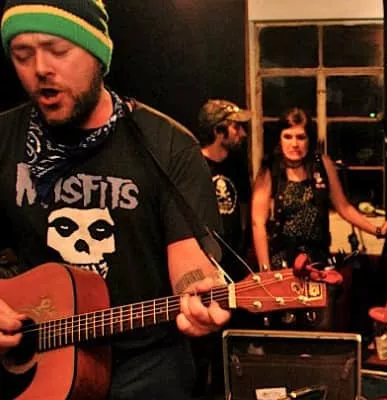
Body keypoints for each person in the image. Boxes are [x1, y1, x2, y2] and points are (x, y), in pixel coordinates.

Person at [0, 1, 230, 399]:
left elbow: (190, 261)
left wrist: (201, 293)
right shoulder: (4, 138)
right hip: (34, 372)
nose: (40, 68)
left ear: (98, 55)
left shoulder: (167, 145)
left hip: (147, 367)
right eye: (22, 54)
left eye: (58, 50)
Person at [251, 107, 387, 329]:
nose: (294, 144)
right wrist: (265, 273)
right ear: (279, 139)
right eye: (288, 136)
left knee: (321, 329)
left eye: (300, 137)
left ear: (309, 139)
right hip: (282, 265)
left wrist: (377, 230)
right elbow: (258, 223)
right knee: (286, 332)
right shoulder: (271, 168)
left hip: (318, 263)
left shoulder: (322, 164)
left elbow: (343, 207)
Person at [197, 99, 252, 282]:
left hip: (235, 255)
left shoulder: (237, 166)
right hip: (206, 256)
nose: (242, 134)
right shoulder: (195, 166)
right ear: (218, 131)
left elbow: (244, 204)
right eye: (236, 127)